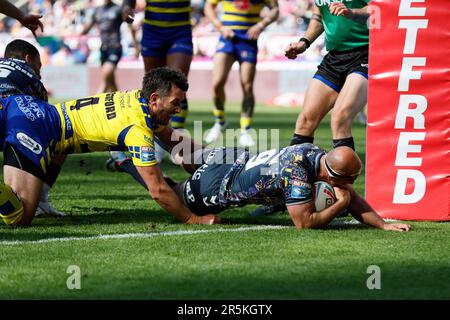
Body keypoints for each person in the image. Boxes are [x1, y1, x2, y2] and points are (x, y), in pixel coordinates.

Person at [0, 65, 220, 227]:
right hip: (34, 128)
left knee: (58, 152)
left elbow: (172, 139)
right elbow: (158, 190)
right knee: (19, 218)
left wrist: (214, 159)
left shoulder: (137, 99)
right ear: (154, 99)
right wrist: (193, 218)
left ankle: (41, 198)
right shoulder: (137, 130)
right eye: (175, 103)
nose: (179, 109)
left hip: (22, 105)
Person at [171, 144, 411, 231]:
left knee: (185, 160)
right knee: (170, 194)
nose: (351, 186)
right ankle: (136, 163)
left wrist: (382, 224)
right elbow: (304, 223)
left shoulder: (315, 153)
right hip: (218, 187)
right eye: (350, 179)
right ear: (333, 175)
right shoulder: (298, 174)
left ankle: (177, 155)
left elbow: (350, 193)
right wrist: (341, 204)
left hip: (231, 158)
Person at [284, 1, 370, 151]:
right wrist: (304, 42)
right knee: (305, 122)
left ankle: (343, 174)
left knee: (340, 119)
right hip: (334, 57)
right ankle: (296, 174)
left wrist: (352, 13)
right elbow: (319, 15)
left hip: (366, 54)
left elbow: (378, 9)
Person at [0, 39, 64, 217]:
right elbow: (44, 120)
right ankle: (38, 199)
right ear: (28, 59)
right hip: (13, 118)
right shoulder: (30, 74)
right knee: (60, 137)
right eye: (39, 66)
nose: (40, 73)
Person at [203, 0, 279, 147]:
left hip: (248, 39)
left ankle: (245, 129)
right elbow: (208, 6)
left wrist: (260, 25)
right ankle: (220, 122)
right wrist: (220, 26)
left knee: (247, 86)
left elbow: (275, 9)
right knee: (217, 83)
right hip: (227, 37)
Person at [80, 0, 139, 93]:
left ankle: (96, 101)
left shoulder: (119, 9)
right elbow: (86, 29)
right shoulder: (97, 10)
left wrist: (136, 46)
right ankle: (119, 100)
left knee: (106, 75)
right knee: (110, 81)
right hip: (103, 49)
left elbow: (130, 24)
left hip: (115, 47)